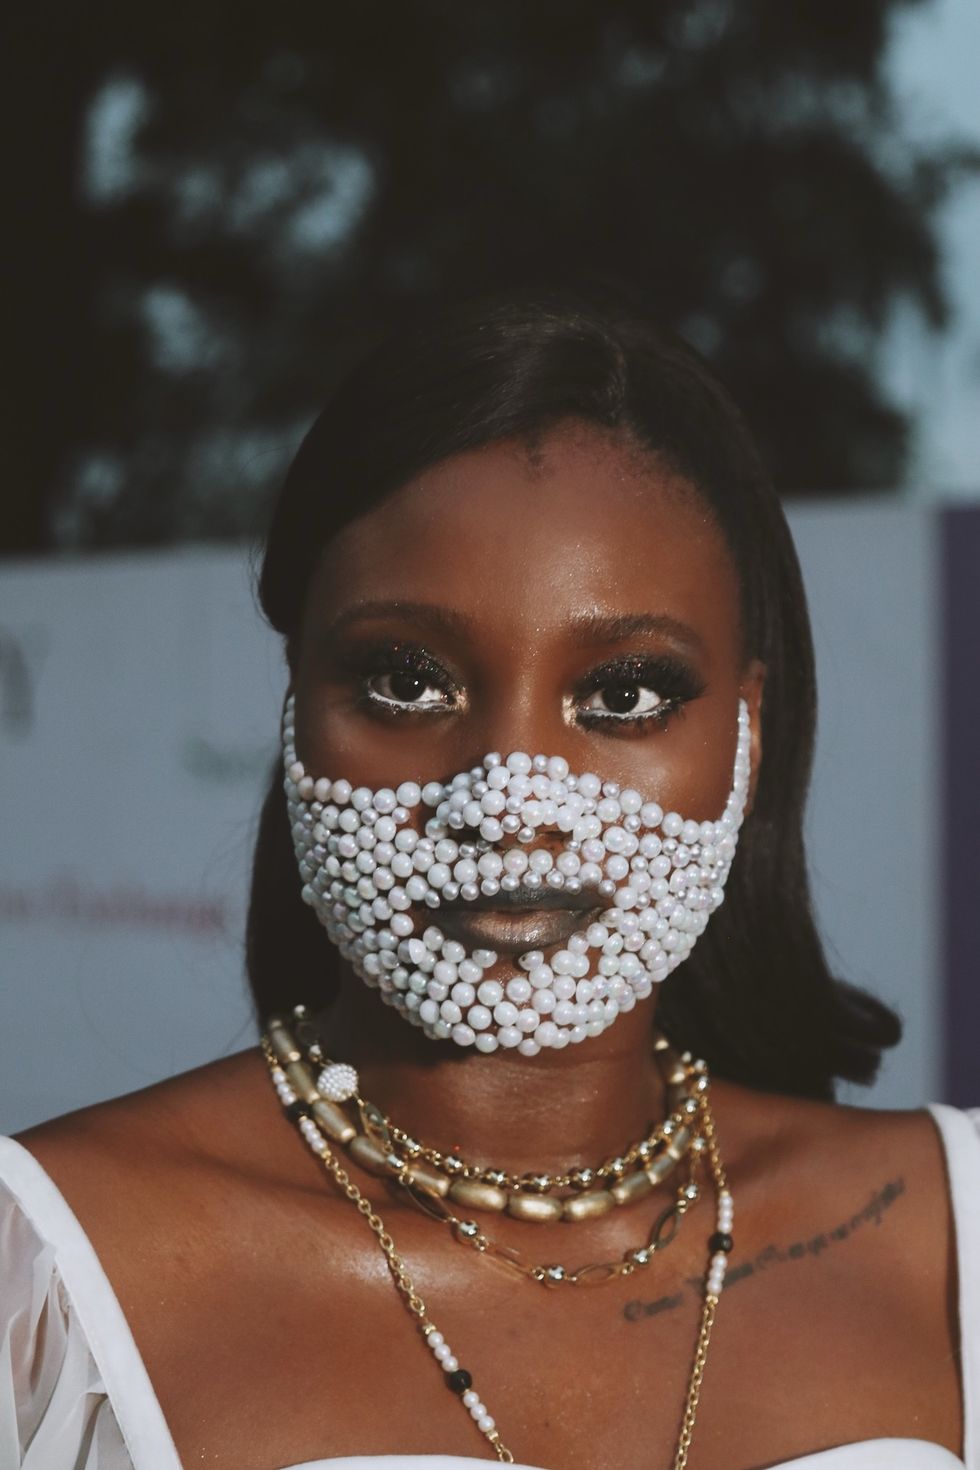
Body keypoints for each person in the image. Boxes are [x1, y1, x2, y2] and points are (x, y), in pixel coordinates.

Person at [1, 286, 976, 1470]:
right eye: (408, 681)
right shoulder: (50, 1275)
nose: (507, 801)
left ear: (744, 737)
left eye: (621, 696)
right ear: (296, 711)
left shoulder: (951, 1233)